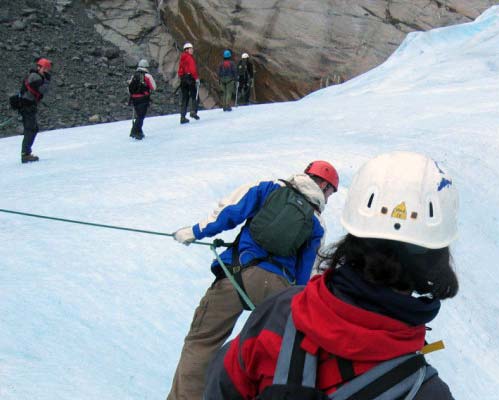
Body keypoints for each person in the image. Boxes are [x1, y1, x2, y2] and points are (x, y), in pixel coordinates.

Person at [204, 151, 459, 399]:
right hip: (275, 279)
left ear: (352, 236)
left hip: (240, 273)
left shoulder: (278, 315)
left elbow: (221, 386)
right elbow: (305, 265)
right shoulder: (426, 391)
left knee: (201, 342)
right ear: (436, 259)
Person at [166, 160, 340, 400]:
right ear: (323, 184)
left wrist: (195, 232)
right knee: (274, 353)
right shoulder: (316, 222)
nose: (329, 198)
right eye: (330, 191)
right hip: (278, 291)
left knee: (202, 341)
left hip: (235, 274)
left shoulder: (269, 188)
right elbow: (307, 271)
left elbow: (230, 212)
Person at [17, 58, 52, 163]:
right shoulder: (35, 77)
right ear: (40, 67)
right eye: (45, 69)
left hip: (27, 106)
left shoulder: (35, 76)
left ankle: (26, 153)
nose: (46, 71)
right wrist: (47, 80)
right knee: (31, 129)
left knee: (33, 128)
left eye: (47, 69)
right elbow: (43, 90)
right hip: (27, 106)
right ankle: (25, 154)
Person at [127, 59, 157, 140]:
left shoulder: (134, 75)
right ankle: (135, 132)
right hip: (143, 98)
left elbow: (129, 88)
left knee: (138, 115)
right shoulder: (147, 76)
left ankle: (138, 131)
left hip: (134, 99)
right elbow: (153, 87)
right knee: (141, 116)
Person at [178, 42, 200, 124]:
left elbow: (180, 71)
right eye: (191, 49)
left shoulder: (182, 58)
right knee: (195, 96)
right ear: (187, 49)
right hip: (190, 79)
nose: (192, 50)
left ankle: (182, 117)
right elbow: (193, 69)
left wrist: (182, 77)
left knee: (185, 99)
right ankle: (193, 112)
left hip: (183, 79)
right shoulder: (189, 58)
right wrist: (196, 78)